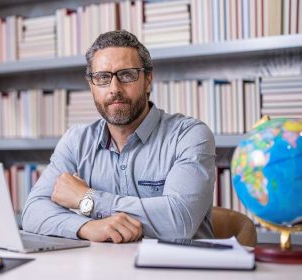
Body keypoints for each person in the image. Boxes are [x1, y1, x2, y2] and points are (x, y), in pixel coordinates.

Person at [22, 30, 216, 243]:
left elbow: (180, 220)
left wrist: (87, 199)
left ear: (148, 80)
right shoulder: (76, 141)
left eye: (126, 75)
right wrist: (87, 227)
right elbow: (32, 212)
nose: (115, 88)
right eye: (103, 78)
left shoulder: (189, 135)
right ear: (92, 86)